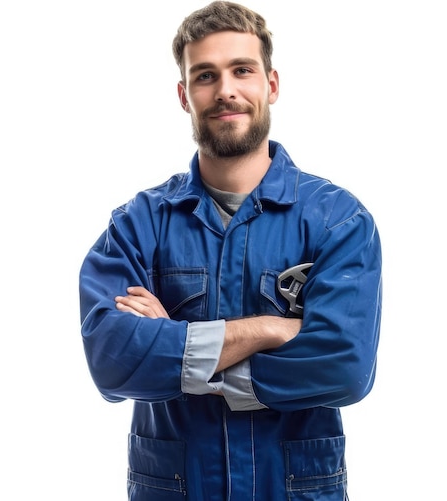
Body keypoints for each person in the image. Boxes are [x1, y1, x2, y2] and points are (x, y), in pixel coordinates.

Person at [78, 1, 382, 499]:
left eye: (242, 70)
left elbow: (345, 366)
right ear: (184, 95)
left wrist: (178, 351)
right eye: (205, 76)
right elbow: (112, 360)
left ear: (272, 84)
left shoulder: (338, 221)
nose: (225, 91)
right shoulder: (138, 225)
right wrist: (269, 330)